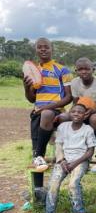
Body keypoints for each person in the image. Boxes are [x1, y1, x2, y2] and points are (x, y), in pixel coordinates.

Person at [23, 38, 73, 198]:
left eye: (46, 47)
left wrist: (47, 107)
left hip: (56, 111)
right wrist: (26, 87)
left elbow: (68, 97)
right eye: (40, 47)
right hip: (38, 113)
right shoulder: (32, 70)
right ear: (36, 50)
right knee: (37, 151)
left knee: (46, 114)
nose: (43, 50)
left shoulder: (62, 70)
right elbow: (32, 99)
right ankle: (38, 190)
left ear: (52, 49)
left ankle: (39, 153)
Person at [37, 103, 96, 213]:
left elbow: (90, 152)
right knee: (53, 184)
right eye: (74, 111)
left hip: (81, 161)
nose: (76, 114)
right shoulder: (63, 127)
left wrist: (75, 163)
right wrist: (62, 160)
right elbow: (58, 146)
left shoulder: (88, 129)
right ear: (70, 113)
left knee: (73, 184)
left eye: (80, 112)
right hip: (63, 161)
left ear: (85, 115)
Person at [69, 57, 96, 132]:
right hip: (82, 111)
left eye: (87, 69)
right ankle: (72, 140)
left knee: (94, 119)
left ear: (93, 70)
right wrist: (74, 112)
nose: (84, 72)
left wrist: (92, 111)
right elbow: (75, 102)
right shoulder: (74, 82)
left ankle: (93, 141)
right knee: (64, 117)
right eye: (80, 69)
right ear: (76, 71)